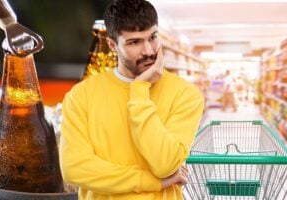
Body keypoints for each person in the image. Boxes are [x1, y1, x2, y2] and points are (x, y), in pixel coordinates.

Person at [59, 0, 204, 199]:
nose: (149, 51)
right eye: (134, 42)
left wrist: (139, 90)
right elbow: (74, 169)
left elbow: (166, 164)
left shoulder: (185, 94)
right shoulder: (81, 96)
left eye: (152, 37)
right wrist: (153, 182)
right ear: (112, 45)